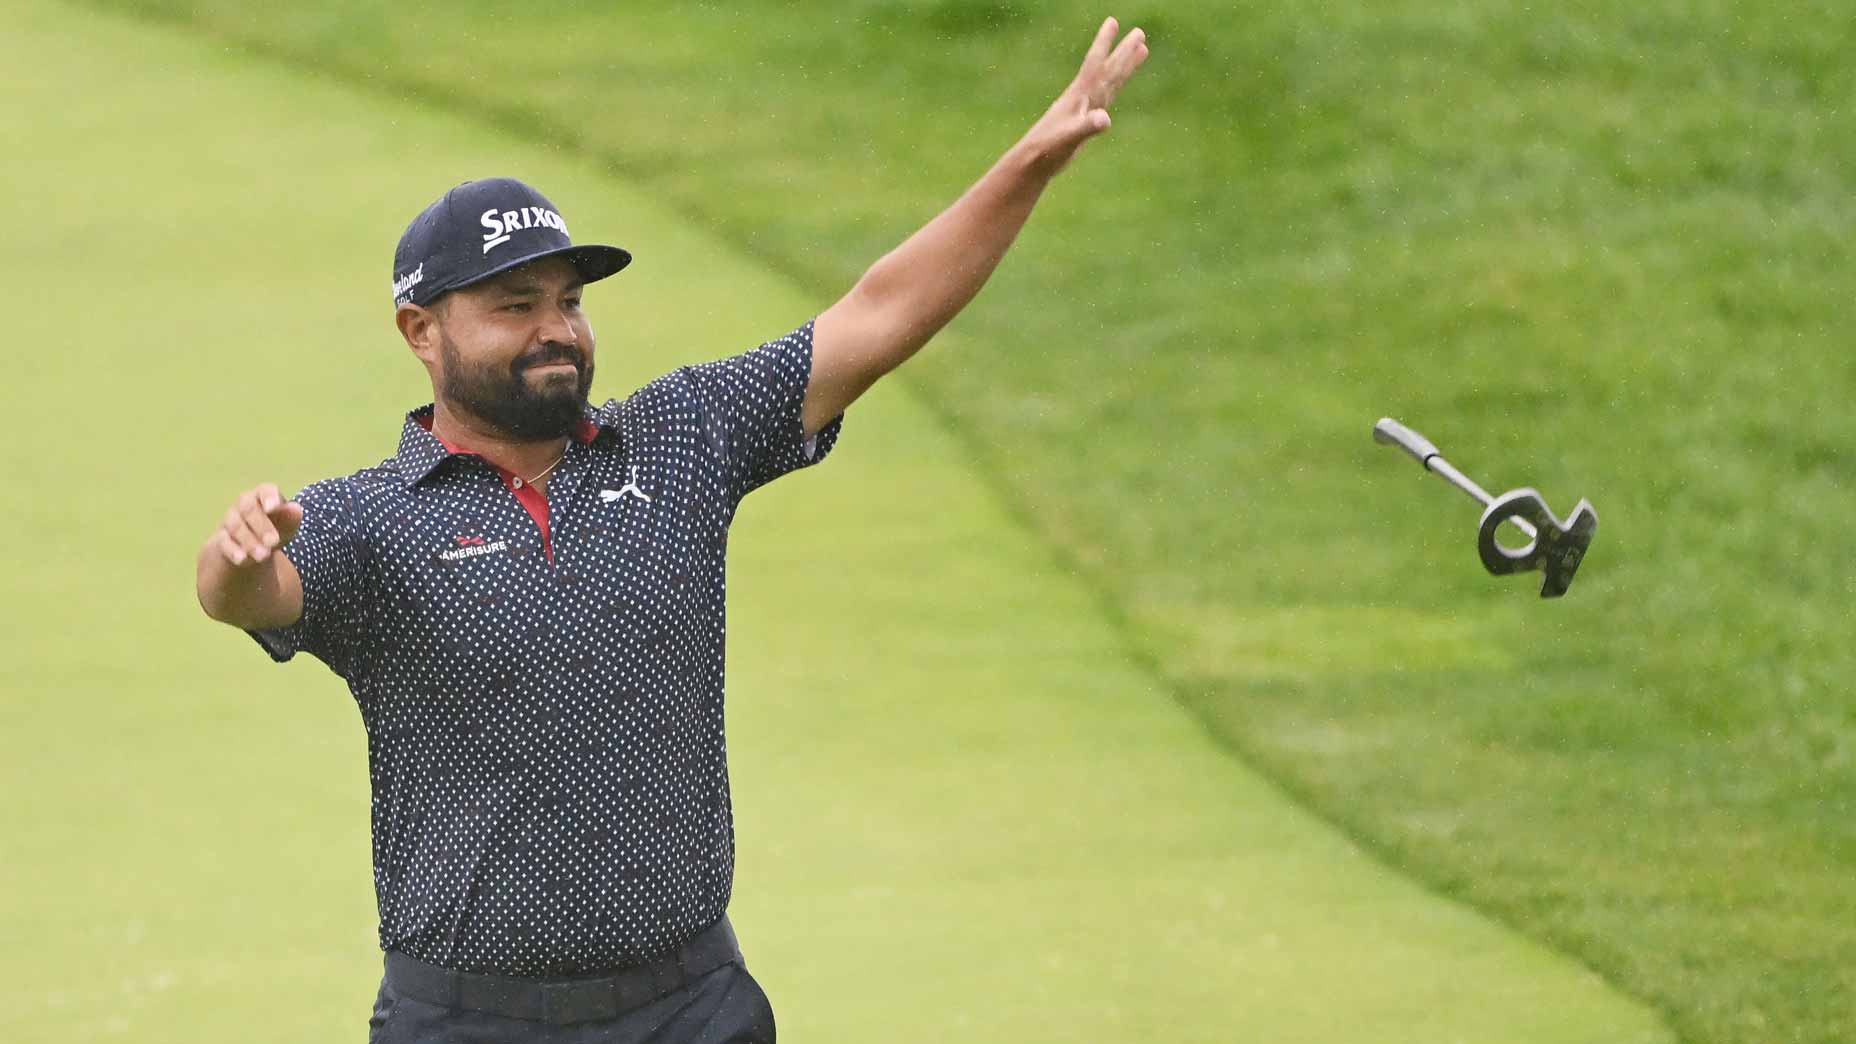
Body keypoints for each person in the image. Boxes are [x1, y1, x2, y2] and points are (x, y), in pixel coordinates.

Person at [195, 18, 1148, 1043]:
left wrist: (1029, 161)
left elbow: (879, 313)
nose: (556, 328)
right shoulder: (371, 517)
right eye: (516, 306)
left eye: (567, 301)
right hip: (469, 1022)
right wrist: (235, 557)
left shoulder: (679, 442)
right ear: (421, 332)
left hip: (690, 1008)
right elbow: (254, 595)